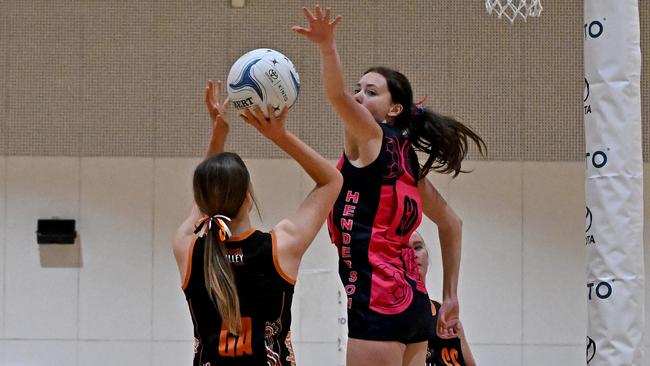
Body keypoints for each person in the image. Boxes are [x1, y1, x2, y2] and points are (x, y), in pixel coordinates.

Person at [293, 5, 486, 366]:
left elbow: (335, 97)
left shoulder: (370, 137)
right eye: (358, 89)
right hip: (414, 307)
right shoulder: (407, 160)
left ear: (394, 109)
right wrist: (450, 296)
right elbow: (452, 223)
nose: (357, 97)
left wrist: (326, 47)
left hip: (377, 305)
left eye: (370, 91)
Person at [172, 80, 343, 366]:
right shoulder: (280, 246)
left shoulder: (187, 248)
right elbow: (332, 180)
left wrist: (218, 136)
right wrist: (278, 134)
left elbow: (205, 196)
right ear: (249, 196)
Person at [410, 231, 477, 366]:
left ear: (427, 257)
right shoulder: (387, 318)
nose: (413, 255)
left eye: (418, 247)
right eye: (404, 249)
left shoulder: (444, 312)